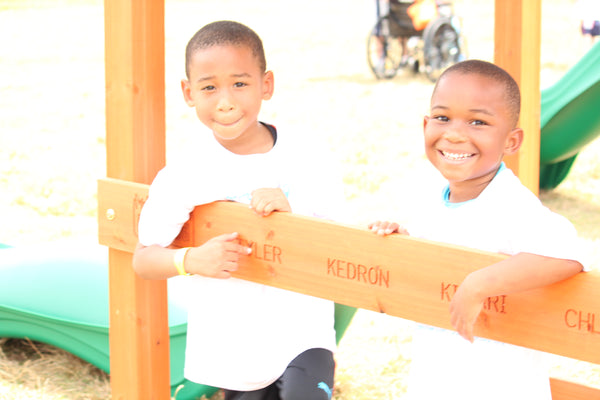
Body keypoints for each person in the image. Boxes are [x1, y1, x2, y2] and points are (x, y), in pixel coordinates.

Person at [132, 21, 339, 400]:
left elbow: (338, 235)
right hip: (234, 348)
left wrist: (294, 210)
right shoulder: (186, 171)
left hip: (304, 334)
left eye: (240, 84)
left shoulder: (306, 154)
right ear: (188, 92)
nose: (225, 101)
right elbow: (144, 260)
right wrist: (192, 260)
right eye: (209, 87)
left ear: (267, 84)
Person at [369, 60, 588, 399]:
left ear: (511, 141)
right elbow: (437, 257)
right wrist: (403, 240)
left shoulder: (510, 203)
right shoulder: (430, 198)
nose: (455, 133)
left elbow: (568, 253)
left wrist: (480, 283)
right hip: (437, 377)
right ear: (426, 124)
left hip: (499, 385)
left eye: (478, 122)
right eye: (442, 118)